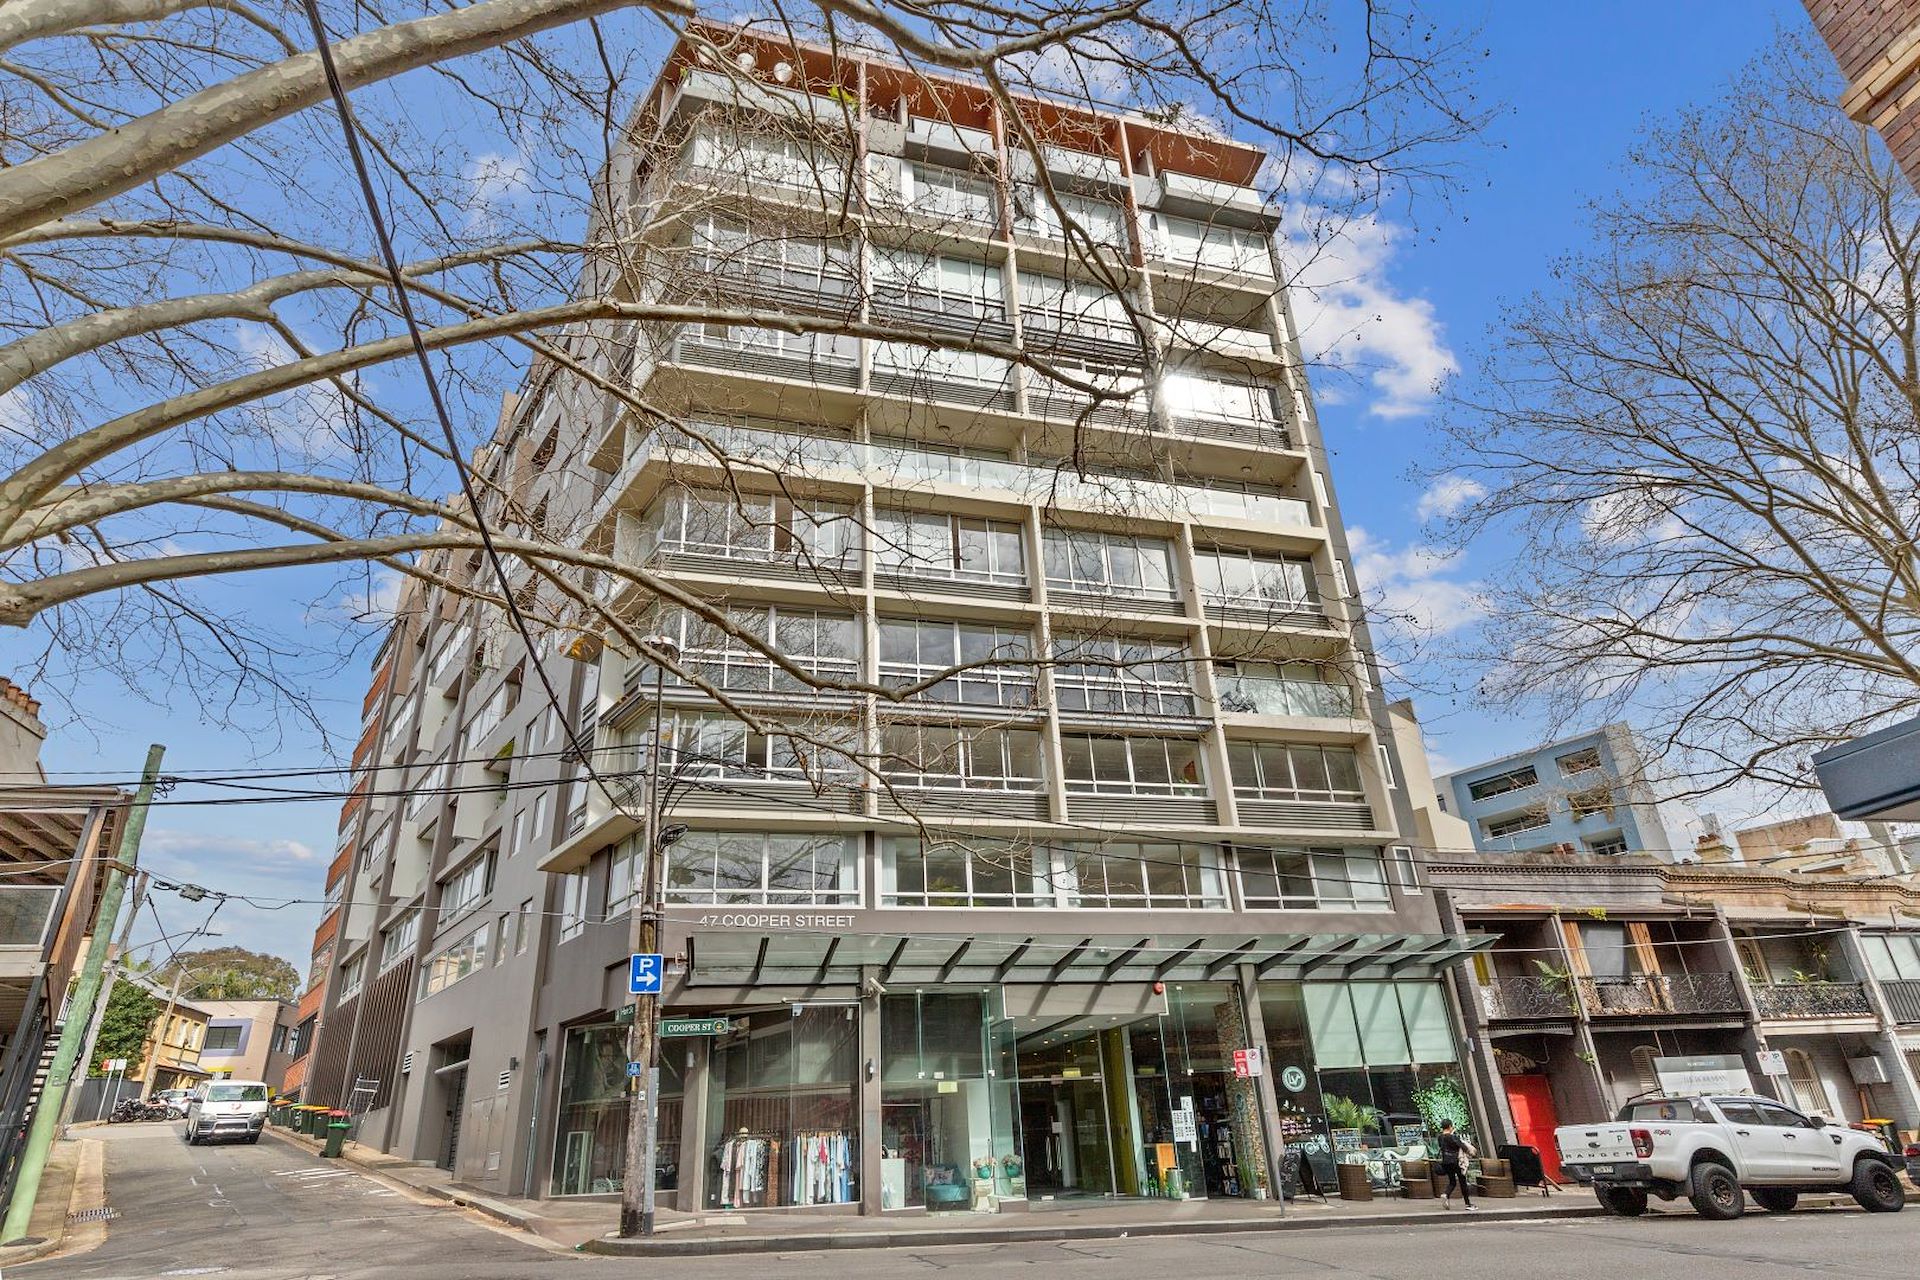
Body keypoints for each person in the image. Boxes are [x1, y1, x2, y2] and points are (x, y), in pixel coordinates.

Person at [1437, 1119, 1476, 1211]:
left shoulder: (1440, 1137)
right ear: (1450, 1126)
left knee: (1452, 1182)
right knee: (1463, 1182)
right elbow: (1464, 1147)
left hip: (1446, 1162)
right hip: (1456, 1162)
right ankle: (1468, 1204)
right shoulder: (1453, 1137)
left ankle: (1446, 1194)